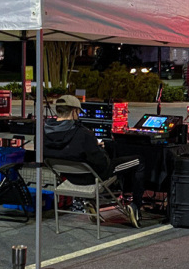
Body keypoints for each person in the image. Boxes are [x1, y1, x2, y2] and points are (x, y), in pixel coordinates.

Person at [44, 95, 143, 228]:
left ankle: (90, 201)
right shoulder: (83, 134)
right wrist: (99, 148)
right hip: (91, 178)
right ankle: (135, 205)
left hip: (68, 178)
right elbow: (102, 164)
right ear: (74, 111)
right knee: (139, 161)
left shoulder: (43, 132)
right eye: (78, 112)